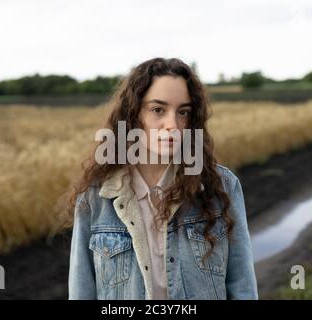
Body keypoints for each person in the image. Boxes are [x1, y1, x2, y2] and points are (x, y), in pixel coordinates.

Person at [66, 57, 258, 299]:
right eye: (158, 110)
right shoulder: (96, 196)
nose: (173, 125)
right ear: (133, 114)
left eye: (183, 112)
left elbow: (243, 289)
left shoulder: (222, 186)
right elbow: (81, 293)